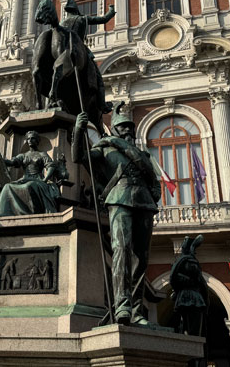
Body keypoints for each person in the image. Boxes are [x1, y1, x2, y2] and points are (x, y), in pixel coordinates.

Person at [72, 103, 161, 326]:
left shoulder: (142, 154)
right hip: (119, 199)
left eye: (130, 127)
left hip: (144, 202)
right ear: (115, 130)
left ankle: (137, 310)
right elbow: (80, 157)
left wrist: (155, 191)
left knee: (141, 259)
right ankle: (122, 306)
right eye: (123, 127)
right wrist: (78, 130)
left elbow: (154, 181)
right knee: (121, 251)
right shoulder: (105, 148)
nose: (128, 131)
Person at [61, 0, 116, 114]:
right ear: (76, 9)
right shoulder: (81, 19)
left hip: (63, 53)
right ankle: (103, 105)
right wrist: (111, 11)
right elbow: (104, 19)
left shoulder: (62, 24)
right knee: (98, 78)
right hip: (80, 50)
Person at [0, 130, 61, 216]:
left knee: (29, 186)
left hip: (38, 180)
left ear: (37, 141)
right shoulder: (23, 155)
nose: (30, 141)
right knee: (7, 186)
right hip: (24, 179)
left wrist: (45, 179)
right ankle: (0, 212)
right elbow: (12, 162)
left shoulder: (42, 154)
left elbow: (51, 166)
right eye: (28, 139)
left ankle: (25, 212)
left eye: (33, 139)